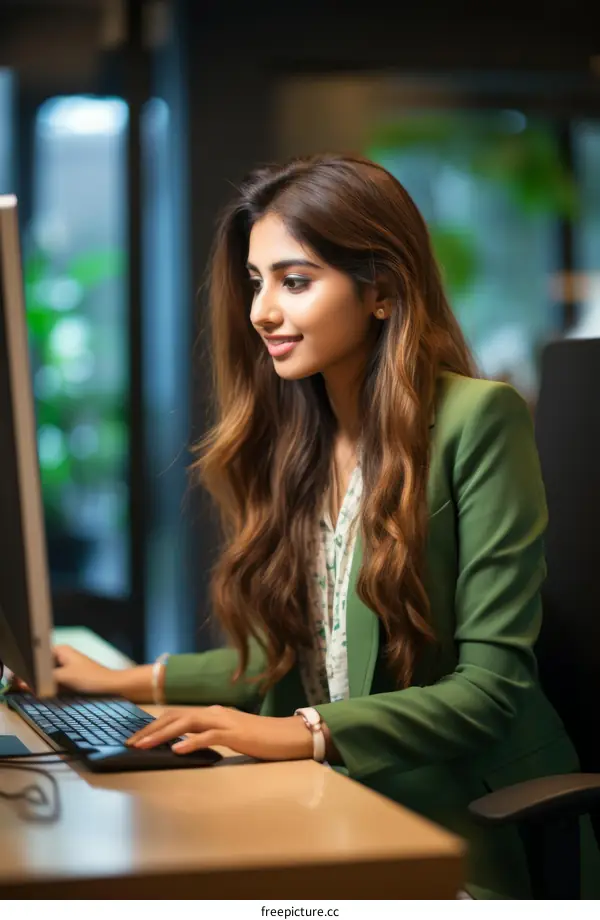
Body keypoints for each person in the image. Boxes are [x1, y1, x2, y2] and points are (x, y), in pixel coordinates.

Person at [25, 154, 598, 897]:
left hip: (466, 823)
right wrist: (126, 681)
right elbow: (293, 654)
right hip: (338, 802)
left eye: (294, 281)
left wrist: (301, 732)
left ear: (383, 291)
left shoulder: (477, 421)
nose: (262, 309)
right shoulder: (304, 440)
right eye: (257, 281)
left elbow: (490, 691)